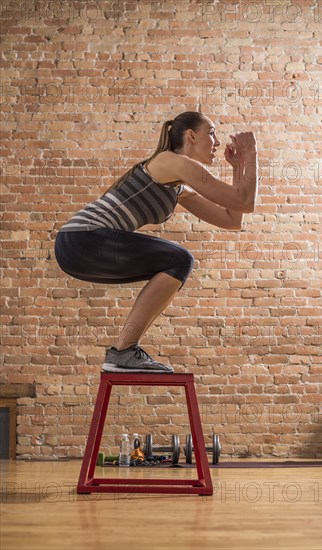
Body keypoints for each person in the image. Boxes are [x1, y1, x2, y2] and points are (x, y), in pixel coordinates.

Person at [54, 111, 258, 373]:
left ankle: (124, 352)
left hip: (76, 247)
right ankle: (124, 352)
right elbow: (244, 202)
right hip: (83, 238)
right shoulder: (173, 162)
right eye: (212, 132)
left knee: (175, 264)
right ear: (191, 136)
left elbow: (233, 218)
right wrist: (251, 154)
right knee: (178, 260)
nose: (216, 141)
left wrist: (238, 167)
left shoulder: (177, 183)